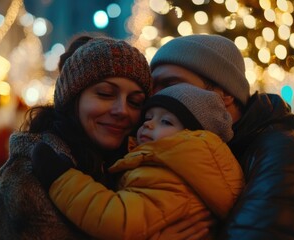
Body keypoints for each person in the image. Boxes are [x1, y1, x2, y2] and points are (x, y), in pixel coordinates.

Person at [149, 34, 294, 239]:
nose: (157, 98)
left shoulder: (284, 160)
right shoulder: (211, 152)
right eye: (152, 88)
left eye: (171, 85)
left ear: (225, 94)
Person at [0, 36, 155, 239]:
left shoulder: (126, 165)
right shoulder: (28, 180)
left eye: (135, 102)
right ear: (73, 99)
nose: (123, 110)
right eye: (105, 93)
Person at [31, 83, 244, 239]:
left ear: (193, 137)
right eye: (148, 117)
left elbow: (116, 218)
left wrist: (61, 178)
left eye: (166, 121)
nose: (148, 125)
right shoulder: (175, 167)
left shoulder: (171, 175)